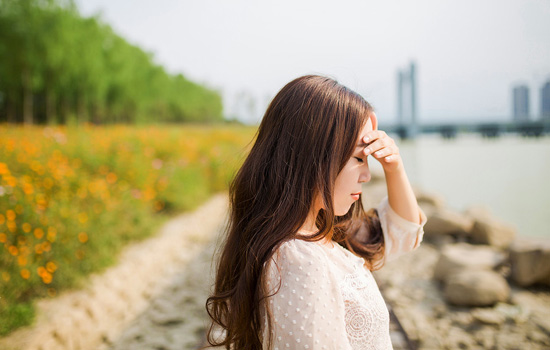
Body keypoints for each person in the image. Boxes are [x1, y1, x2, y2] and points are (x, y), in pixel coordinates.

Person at [206, 75, 427, 350]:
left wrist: (394, 167)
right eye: (359, 158)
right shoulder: (299, 260)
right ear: (313, 154)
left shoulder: (320, 234)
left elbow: (403, 234)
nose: (367, 175)